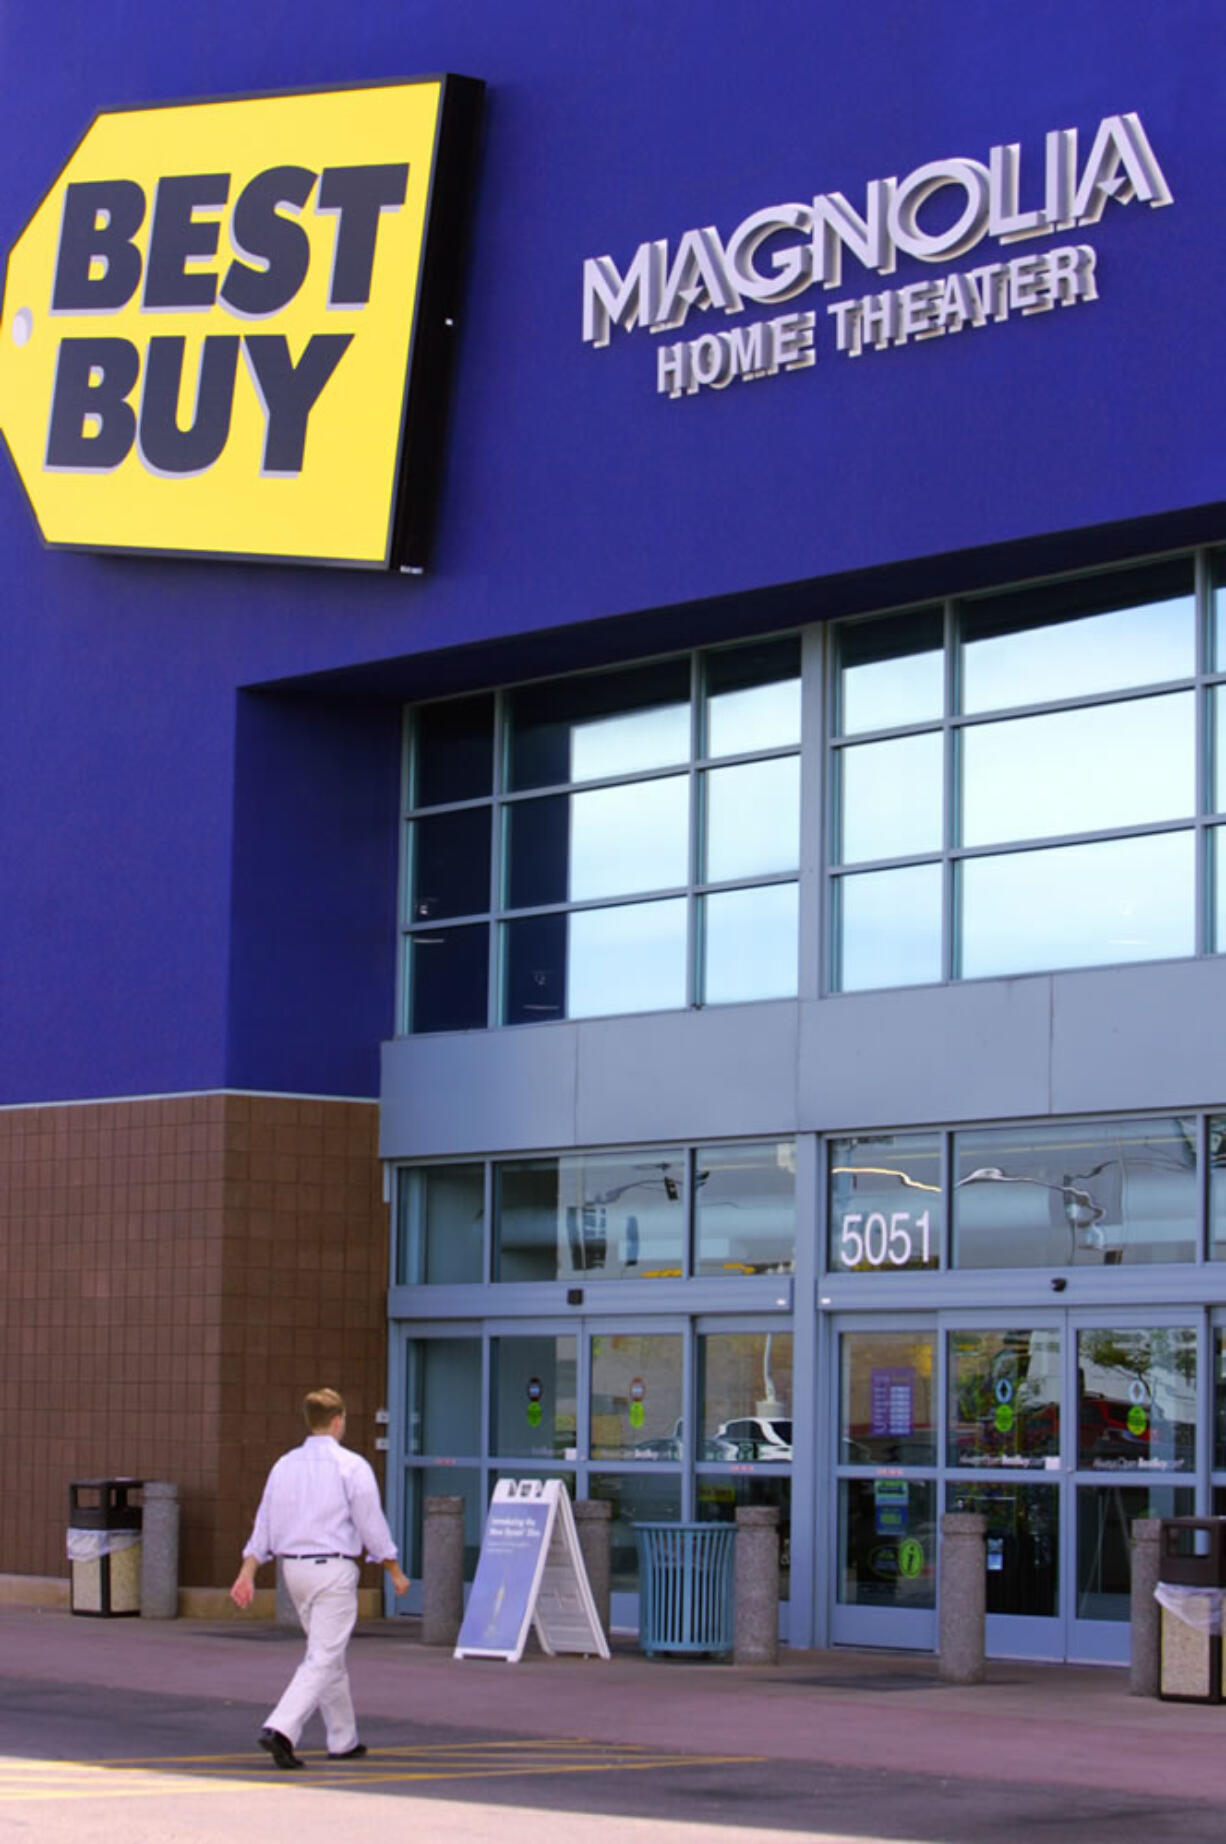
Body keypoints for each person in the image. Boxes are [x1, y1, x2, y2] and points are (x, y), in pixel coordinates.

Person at [229, 1386, 410, 1769]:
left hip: (293, 1570)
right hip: (333, 1570)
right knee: (323, 1656)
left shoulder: (284, 1465)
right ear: (338, 1421)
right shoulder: (352, 1466)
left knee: (328, 1654)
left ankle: (343, 1739)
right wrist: (393, 1567)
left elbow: (264, 1522)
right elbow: (370, 1523)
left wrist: (248, 1570)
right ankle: (281, 1728)